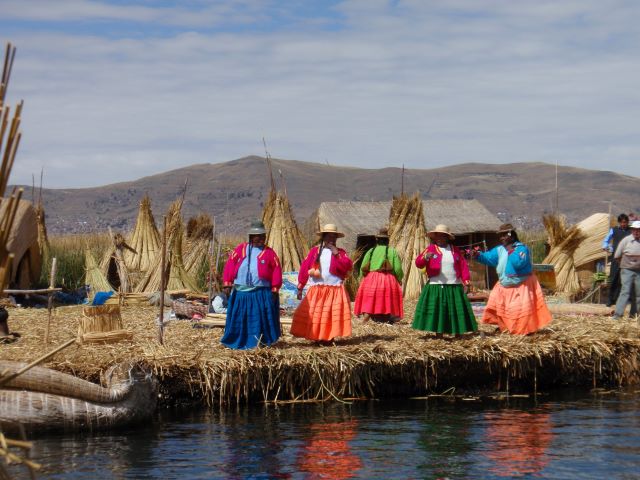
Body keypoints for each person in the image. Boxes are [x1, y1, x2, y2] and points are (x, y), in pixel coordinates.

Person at [471, 223, 552, 335]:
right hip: (504, 284)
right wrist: (478, 255)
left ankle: (524, 330)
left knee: (518, 310)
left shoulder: (521, 249)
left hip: (521, 285)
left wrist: (510, 250)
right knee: (503, 309)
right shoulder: (500, 250)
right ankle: (505, 328)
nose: (502, 238)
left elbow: (518, 263)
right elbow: (489, 258)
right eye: (501, 236)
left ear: (512, 235)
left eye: (505, 235)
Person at [220, 220, 282, 349]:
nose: (259, 238)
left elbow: (276, 270)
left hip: (261, 293)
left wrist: (275, 288)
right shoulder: (241, 249)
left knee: (259, 319)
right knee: (241, 318)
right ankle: (238, 340)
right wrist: (227, 283)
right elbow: (230, 264)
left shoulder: (270, 253)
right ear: (251, 237)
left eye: (261, 236)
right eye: (256, 236)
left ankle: (260, 342)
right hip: (241, 292)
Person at [291, 224, 353, 342]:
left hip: (334, 289)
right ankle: (316, 337)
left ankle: (329, 338)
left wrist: (336, 253)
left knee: (330, 315)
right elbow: (305, 268)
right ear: (323, 237)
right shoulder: (315, 251)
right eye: (329, 236)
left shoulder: (341, 252)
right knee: (316, 314)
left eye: (334, 237)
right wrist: (300, 287)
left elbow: (347, 266)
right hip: (317, 289)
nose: (331, 239)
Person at [412, 224, 477, 336]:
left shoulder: (455, 250)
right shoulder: (430, 249)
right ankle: (439, 333)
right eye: (437, 236)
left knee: (455, 310)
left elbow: (463, 266)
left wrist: (466, 281)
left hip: (454, 285)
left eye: (442, 236)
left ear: (447, 237)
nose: (439, 239)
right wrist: (426, 257)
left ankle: (457, 332)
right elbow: (418, 263)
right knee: (439, 310)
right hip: (436, 285)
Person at [354, 227, 403, 323]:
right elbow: (397, 268)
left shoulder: (371, 251)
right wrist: (399, 278)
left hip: (371, 278)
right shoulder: (392, 251)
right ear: (388, 240)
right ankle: (385, 318)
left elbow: (363, 266)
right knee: (385, 300)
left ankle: (367, 318)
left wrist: (362, 278)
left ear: (377, 240)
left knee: (370, 299)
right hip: (387, 278)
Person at [612, 220, 640, 319]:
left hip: (639, 271)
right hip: (627, 270)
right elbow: (617, 256)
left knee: (638, 293)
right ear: (632, 230)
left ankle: (634, 315)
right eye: (635, 230)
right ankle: (617, 315)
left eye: (639, 230)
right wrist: (624, 265)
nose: (637, 232)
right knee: (625, 291)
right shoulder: (626, 240)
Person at [602, 213, 631, 307]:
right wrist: (606, 247)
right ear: (619, 222)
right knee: (614, 278)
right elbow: (606, 240)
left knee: (625, 280)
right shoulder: (614, 230)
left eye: (626, 222)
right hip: (616, 258)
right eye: (622, 222)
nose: (624, 224)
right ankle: (610, 300)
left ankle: (622, 301)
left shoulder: (631, 231)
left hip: (627, 258)